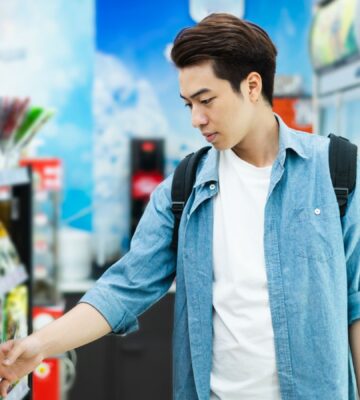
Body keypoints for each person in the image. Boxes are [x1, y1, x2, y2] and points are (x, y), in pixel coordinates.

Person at [0, 12, 359, 400]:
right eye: (188, 104)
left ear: (252, 86)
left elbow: (355, 305)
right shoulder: (183, 190)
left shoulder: (337, 171)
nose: (196, 119)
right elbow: (123, 288)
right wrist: (37, 347)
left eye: (206, 101)